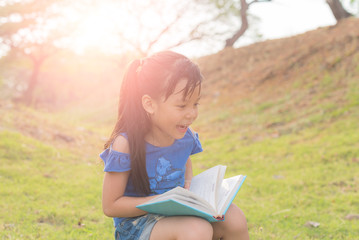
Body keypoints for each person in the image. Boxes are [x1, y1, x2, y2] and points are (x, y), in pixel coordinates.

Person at [100, 51, 249, 240]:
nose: (191, 114)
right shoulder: (125, 144)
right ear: (149, 104)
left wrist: (188, 182)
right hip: (138, 225)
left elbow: (183, 160)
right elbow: (110, 206)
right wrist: (158, 201)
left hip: (177, 215)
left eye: (196, 104)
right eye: (181, 106)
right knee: (197, 230)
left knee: (234, 218)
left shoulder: (185, 135)